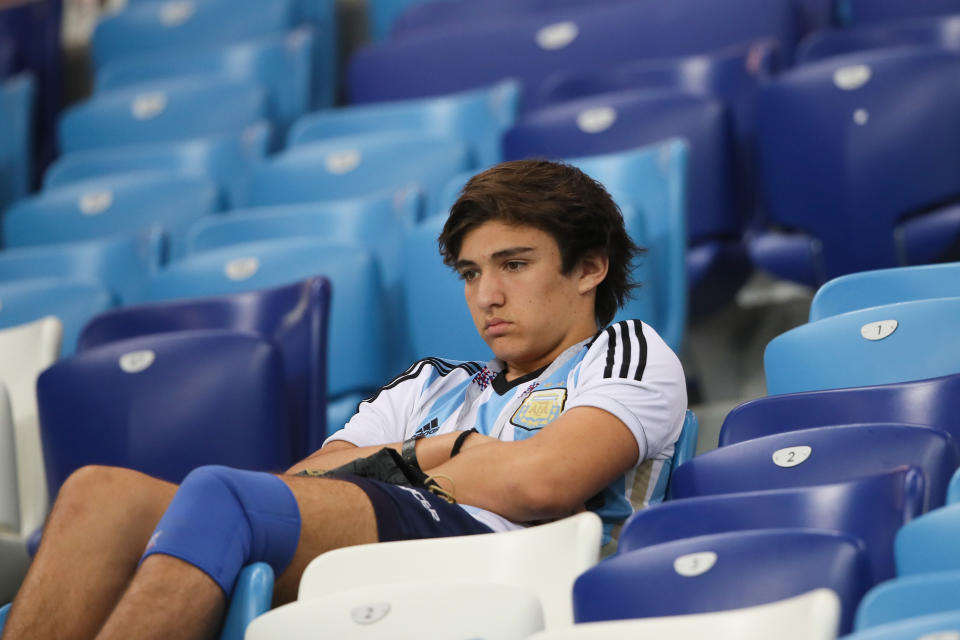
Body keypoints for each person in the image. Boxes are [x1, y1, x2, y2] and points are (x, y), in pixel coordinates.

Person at [1, 159, 686, 640]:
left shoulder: (626, 351)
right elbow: (302, 485)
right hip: (402, 547)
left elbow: (545, 479)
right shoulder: (430, 384)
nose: (487, 295)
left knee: (221, 495)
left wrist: (397, 462)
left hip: (522, 562)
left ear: (590, 267)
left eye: (514, 264)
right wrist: (435, 453)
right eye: (472, 273)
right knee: (98, 495)